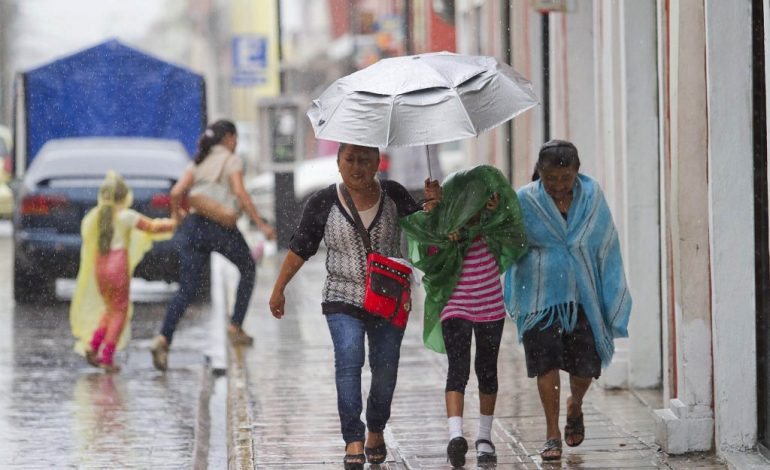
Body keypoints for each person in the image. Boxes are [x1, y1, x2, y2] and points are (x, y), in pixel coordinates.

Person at [268, 143, 423, 470]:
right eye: (350, 160)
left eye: (365, 160)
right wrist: (279, 288)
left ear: (378, 162)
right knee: (350, 359)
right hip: (342, 297)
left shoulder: (393, 194)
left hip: (389, 299)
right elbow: (300, 248)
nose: (357, 167)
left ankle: (376, 428)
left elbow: (426, 228)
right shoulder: (323, 202)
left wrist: (433, 204)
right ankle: (353, 437)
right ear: (337, 163)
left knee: (385, 368)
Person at [503, 140, 632, 461]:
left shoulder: (592, 198)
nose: (559, 186)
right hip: (539, 299)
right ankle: (551, 433)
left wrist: (610, 292)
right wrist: (498, 217)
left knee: (585, 366)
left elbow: (607, 243)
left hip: (583, 295)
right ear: (540, 174)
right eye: (551, 180)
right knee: (545, 364)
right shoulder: (525, 200)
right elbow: (510, 244)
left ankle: (575, 404)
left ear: (576, 171)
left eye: (565, 178)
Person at [399, 165, 528, 467]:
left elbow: (513, 228)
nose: (471, 206)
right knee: (458, 368)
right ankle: (456, 435)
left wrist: (496, 209)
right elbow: (428, 251)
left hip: (490, 308)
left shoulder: (491, 224)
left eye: (477, 199)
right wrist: (433, 210)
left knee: (487, 370)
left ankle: (484, 437)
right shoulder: (444, 226)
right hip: (455, 305)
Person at [151, 119, 276, 371]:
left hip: (194, 226)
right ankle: (235, 325)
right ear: (228, 138)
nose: (237, 142)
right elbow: (240, 193)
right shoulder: (232, 160)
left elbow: (176, 193)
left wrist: (177, 217)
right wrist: (260, 224)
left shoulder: (198, 162)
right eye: (235, 137)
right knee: (248, 268)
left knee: (186, 288)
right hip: (220, 228)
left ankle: (164, 338)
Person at [70, 171, 176, 373]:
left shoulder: (99, 216)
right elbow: (152, 227)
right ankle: (107, 356)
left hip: (100, 266)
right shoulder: (127, 216)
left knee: (109, 310)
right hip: (118, 267)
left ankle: (94, 346)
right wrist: (175, 223)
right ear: (124, 196)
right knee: (120, 312)